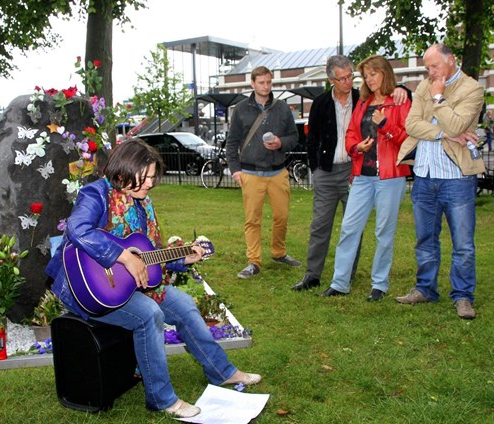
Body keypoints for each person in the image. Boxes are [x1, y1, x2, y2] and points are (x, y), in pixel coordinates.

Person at [45, 139, 261, 418]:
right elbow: (78, 229)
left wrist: (183, 258)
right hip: (85, 289)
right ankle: (161, 398)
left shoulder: (141, 203)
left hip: (128, 286)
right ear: (123, 172)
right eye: (144, 177)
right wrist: (123, 257)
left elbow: (148, 255)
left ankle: (222, 371)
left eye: (152, 178)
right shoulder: (95, 193)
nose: (149, 184)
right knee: (148, 314)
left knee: (183, 304)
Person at [292, 55, 409, 292]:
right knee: (334, 227)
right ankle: (326, 279)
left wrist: (398, 97)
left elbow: (406, 132)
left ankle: (364, 280)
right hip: (346, 173)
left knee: (372, 229)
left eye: (352, 76)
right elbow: (330, 137)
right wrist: (351, 150)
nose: (351, 81)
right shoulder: (339, 103)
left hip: (373, 172)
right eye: (343, 78)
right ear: (331, 79)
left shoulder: (379, 99)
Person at [395, 44, 485, 319]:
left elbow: (459, 125)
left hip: (456, 178)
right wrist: (444, 133)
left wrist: (438, 98)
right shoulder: (423, 87)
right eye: (427, 67)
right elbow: (411, 125)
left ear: (451, 61)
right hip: (424, 175)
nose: (430, 72)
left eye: (434, 66)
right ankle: (425, 289)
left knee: (463, 244)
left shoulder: (472, 89)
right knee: (425, 240)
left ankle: (463, 296)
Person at [226, 65, 300, 279]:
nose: (266, 86)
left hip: (278, 172)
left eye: (269, 82)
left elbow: (294, 137)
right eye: (261, 82)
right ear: (252, 84)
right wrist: (235, 171)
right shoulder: (240, 109)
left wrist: (280, 143)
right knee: (252, 220)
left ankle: (278, 253)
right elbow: (232, 144)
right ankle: (254, 262)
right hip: (250, 172)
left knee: (282, 216)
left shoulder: (282, 108)